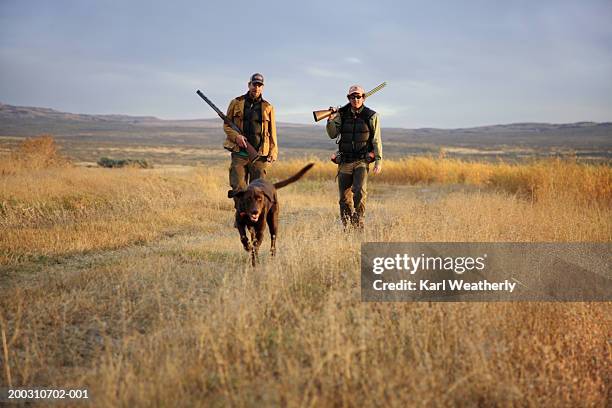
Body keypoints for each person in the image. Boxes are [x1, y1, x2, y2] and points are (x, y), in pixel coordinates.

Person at [326, 84, 382, 230]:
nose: (355, 99)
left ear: (363, 98)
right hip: (344, 161)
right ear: (348, 98)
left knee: (359, 192)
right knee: (344, 199)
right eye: (352, 97)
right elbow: (332, 134)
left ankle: (358, 223)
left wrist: (378, 161)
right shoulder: (342, 114)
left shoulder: (371, 115)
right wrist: (331, 119)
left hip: (362, 161)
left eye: (358, 96)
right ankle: (347, 226)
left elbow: (376, 140)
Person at [223, 73, 278, 193]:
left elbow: (272, 131)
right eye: (254, 84)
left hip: (259, 155)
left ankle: (253, 212)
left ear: (262, 87)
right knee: (238, 188)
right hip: (239, 153)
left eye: (259, 85)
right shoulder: (236, 102)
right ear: (249, 85)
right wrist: (236, 137)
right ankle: (241, 212)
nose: (256, 88)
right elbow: (227, 125)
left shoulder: (268, 107)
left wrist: (273, 151)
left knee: (257, 190)